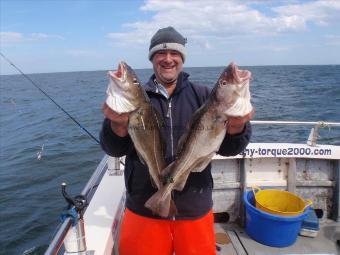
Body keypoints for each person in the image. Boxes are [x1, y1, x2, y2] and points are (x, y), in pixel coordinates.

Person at [100, 26, 254, 255]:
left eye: (175, 53)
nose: (168, 59)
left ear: (182, 58)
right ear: (152, 58)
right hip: (144, 206)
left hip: (194, 207)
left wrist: (237, 126)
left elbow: (231, 149)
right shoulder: (135, 100)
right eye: (160, 53)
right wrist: (118, 124)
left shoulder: (203, 96)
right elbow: (113, 148)